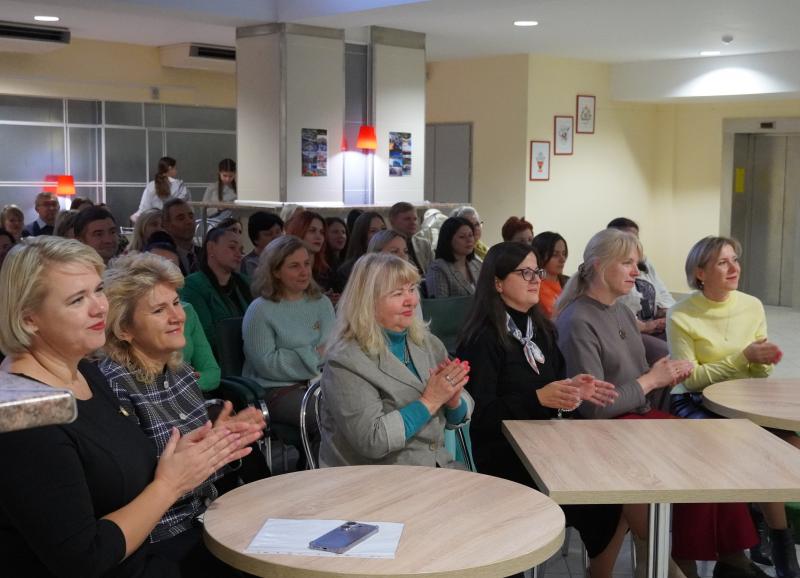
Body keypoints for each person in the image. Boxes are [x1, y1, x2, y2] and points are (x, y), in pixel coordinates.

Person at [0, 236, 253, 577]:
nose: (99, 308)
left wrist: (199, 450)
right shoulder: (23, 414)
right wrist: (170, 484)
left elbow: (118, 474)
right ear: (29, 318)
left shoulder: (85, 373)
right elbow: (84, 558)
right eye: (77, 299)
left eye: (98, 290)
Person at [554, 228, 761, 578]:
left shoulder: (620, 312)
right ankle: (687, 559)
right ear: (598, 266)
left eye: (637, 263)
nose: (636, 271)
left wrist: (668, 375)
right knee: (698, 454)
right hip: (602, 430)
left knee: (715, 445)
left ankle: (729, 556)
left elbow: (640, 380)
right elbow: (594, 408)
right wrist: (652, 379)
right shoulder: (578, 320)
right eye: (627, 263)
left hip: (635, 417)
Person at [457, 241, 625, 578]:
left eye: (537, 271)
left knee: (609, 497)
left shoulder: (543, 331)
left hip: (545, 448)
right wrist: (539, 398)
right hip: (503, 457)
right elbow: (480, 417)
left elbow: (552, 395)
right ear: (498, 283)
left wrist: (572, 392)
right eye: (525, 273)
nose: (536, 279)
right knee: (586, 497)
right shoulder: (482, 339)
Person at [99, 252, 264, 576]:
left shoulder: (180, 371)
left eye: (176, 303)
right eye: (159, 310)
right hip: (160, 537)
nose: (178, 316)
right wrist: (214, 445)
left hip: (206, 516)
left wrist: (226, 439)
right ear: (124, 329)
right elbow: (133, 485)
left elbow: (200, 469)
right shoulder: (114, 386)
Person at [668, 236, 799, 578]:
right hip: (694, 399)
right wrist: (743, 357)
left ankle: (780, 540)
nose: (734, 268)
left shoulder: (752, 305)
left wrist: (762, 361)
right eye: (722, 262)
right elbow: (691, 379)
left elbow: (759, 373)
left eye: (735, 260)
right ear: (700, 273)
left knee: (789, 443)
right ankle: (747, 542)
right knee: (736, 443)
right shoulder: (681, 313)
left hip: (744, 398)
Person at [318, 253, 473, 467]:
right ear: (368, 302)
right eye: (398, 293)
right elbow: (372, 440)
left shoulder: (428, 343)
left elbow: (459, 417)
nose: (411, 301)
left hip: (435, 467)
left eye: (412, 289)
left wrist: (454, 401)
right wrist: (430, 401)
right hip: (376, 477)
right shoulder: (345, 361)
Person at [242, 235, 335, 455]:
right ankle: (319, 470)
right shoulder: (260, 310)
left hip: (321, 382)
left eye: (306, 264)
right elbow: (267, 364)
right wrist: (314, 355)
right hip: (277, 390)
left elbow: (332, 349)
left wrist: (300, 355)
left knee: (357, 408)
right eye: (294, 266)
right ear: (275, 271)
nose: (304, 272)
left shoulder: (322, 303)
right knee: (328, 415)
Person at [181, 226, 252, 356]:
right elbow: (205, 333)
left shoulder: (246, 282)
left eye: (241, 250)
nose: (239, 254)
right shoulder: (193, 285)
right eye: (232, 247)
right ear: (211, 248)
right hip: (216, 358)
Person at [426, 216, 482, 298]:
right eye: (462, 237)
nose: (469, 240)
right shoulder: (438, 268)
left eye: (470, 235)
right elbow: (439, 303)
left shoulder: (476, 264)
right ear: (448, 240)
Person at [284, 210, 335, 293]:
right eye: (312, 230)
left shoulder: (326, 269)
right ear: (298, 232)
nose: (319, 237)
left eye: (322, 232)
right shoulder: (284, 265)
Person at [335, 211, 386, 291]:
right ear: (362, 235)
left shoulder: (392, 262)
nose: (381, 234)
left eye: (383, 229)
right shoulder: (348, 270)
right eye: (373, 231)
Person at [132, 156, 189, 222]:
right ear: (170, 168)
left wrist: (135, 217)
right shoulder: (179, 185)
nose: (177, 171)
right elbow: (183, 206)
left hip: (154, 223)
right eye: (175, 168)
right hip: (173, 223)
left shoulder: (151, 186)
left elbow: (143, 209)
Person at [388, 202, 433, 274]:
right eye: (407, 219)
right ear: (392, 222)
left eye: (415, 219)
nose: (413, 223)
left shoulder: (424, 244)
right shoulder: (386, 244)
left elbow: (432, 271)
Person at [532, 231, 569, 318]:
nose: (562, 259)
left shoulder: (570, 283)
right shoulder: (533, 287)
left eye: (564, 254)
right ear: (540, 256)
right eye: (555, 255)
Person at [162, 198, 201, 274]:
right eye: (181, 218)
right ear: (166, 225)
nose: (189, 221)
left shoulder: (205, 254)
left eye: (191, 216)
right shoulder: (162, 258)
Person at [242, 211, 284, 278]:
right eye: (268, 234)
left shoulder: (286, 257)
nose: (275, 237)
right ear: (256, 239)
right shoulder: (249, 263)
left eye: (278, 232)